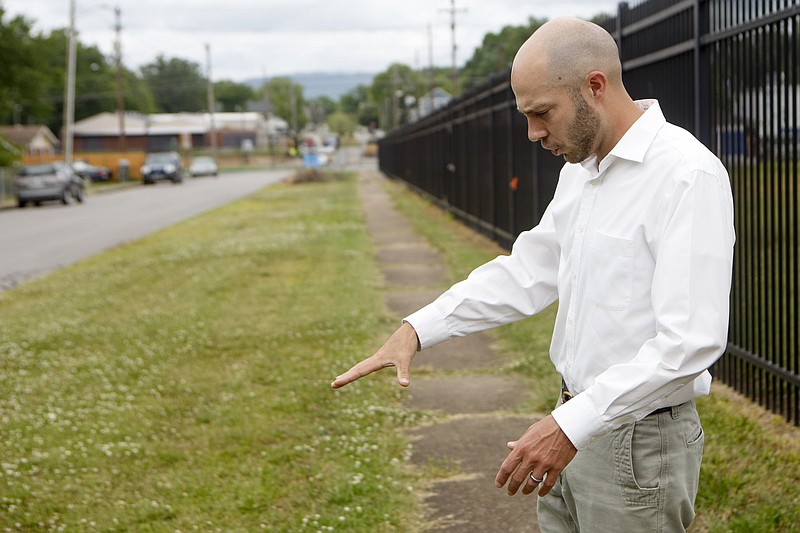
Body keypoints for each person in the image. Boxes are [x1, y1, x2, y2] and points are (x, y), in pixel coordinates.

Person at [331, 17, 734, 532]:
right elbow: (529, 271)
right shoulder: (582, 171)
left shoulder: (685, 174)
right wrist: (418, 328)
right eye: (526, 115)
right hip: (571, 421)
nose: (533, 133)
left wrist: (567, 428)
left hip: (637, 442)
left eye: (542, 112)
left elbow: (689, 344)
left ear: (595, 86)